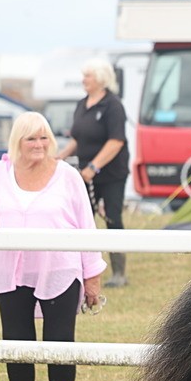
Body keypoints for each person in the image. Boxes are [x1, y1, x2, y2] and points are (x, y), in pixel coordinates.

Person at [0, 112, 106, 381]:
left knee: (60, 341)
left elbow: (87, 225)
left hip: (59, 270)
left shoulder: (67, 176)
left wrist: (92, 277)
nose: (39, 144)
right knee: (16, 341)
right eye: (31, 138)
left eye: (44, 137)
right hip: (11, 271)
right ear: (18, 141)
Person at [57, 58, 130, 287]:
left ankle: (119, 272)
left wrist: (93, 168)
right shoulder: (82, 104)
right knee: (82, 220)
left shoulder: (113, 105)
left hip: (110, 174)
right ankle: (82, 269)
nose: (83, 80)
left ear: (100, 79)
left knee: (112, 219)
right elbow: (78, 139)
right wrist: (58, 158)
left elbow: (116, 141)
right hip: (84, 174)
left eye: (87, 76)